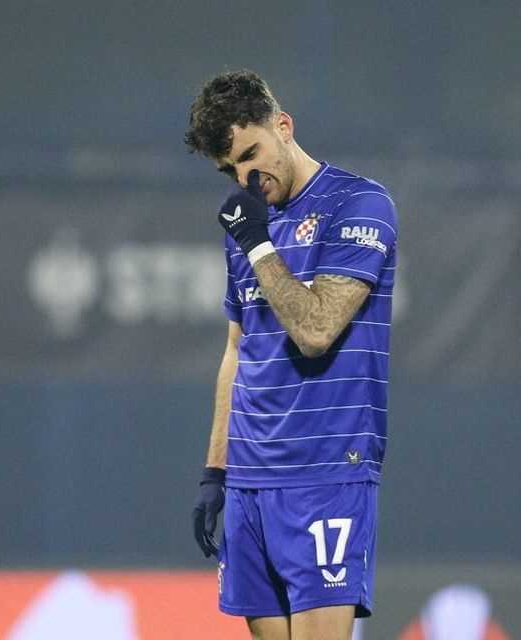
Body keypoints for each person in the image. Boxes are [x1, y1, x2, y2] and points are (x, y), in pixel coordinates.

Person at [185, 70, 398, 639]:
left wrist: (258, 244)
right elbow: (238, 349)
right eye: (230, 170)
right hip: (250, 480)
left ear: (283, 126)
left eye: (250, 155)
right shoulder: (247, 228)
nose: (245, 179)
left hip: (323, 473)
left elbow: (316, 330)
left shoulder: (359, 204)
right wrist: (216, 471)